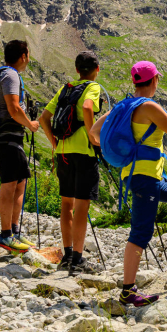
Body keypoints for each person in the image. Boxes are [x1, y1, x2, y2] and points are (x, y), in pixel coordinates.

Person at [91, 61, 167, 307]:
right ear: (154, 81)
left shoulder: (121, 106)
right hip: (145, 178)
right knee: (141, 232)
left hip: (140, 175)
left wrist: (126, 149)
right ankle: (128, 291)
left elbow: (95, 133)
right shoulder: (148, 106)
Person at [39, 51, 102, 274]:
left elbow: (43, 118)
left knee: (67, 204)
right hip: (84, 153)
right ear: (97, 69)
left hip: (63, 152)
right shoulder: (93, 88)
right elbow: (87, 108)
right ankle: (78, 258)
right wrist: (94, 137)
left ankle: (66, 256)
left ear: (76, 70)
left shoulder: (65, 88)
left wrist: (54, 143)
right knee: (82, 206)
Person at [0, 40, 40, 254]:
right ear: (23, 55)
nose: (29, 58)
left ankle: (13, 232)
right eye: (28, 53)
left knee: (19, 183)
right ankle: (5, 235)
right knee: (10, 184)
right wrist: (30, 124)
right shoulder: (10, 75)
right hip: (8, 136)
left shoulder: (6, 74)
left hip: (11, 137)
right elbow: (13, 108)